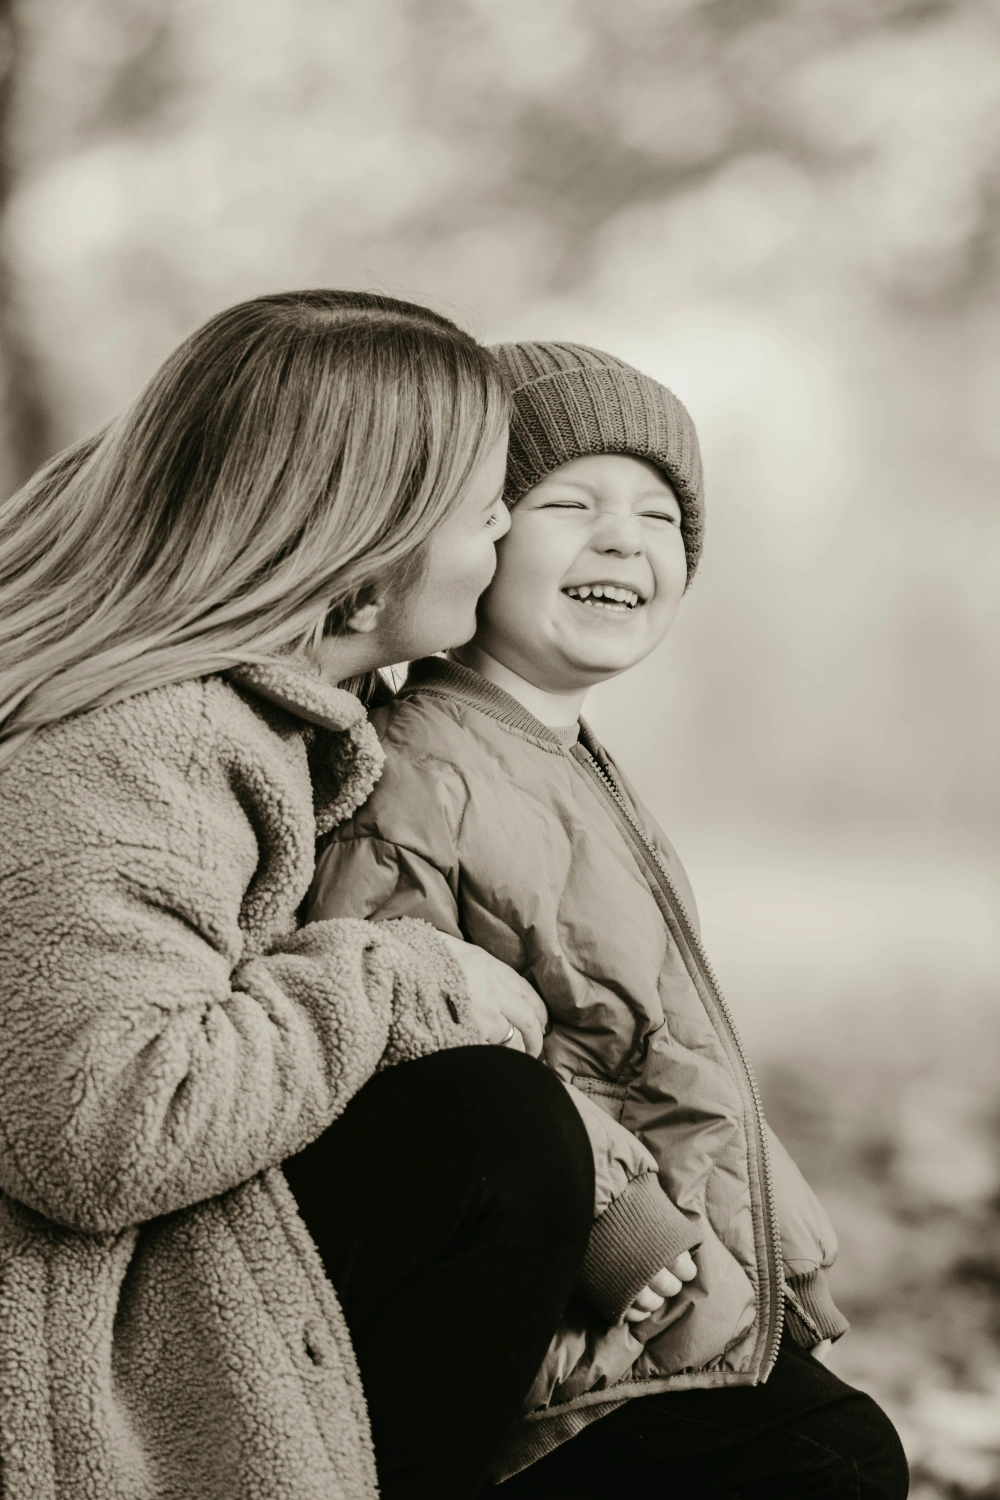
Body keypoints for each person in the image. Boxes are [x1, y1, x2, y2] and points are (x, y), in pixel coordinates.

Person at [0, 296, 600, 1500]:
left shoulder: (269, 724)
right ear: (367, 557)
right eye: (487, 515)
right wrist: (408, 977)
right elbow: (105, 1121)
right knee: (492, 1131)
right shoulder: (135, 743)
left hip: (180, 1258)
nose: (501, 548)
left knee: (805, 1449)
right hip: (79, 1337)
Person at [307, 342, 910, 1497]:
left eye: (661, 516)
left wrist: (766, 1230)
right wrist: (618, 1229)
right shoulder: (428, 771)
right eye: (567, 503)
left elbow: (639, 1037)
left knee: (838, 1448)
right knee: (825, 1462)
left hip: (656, 1288)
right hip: (547, 1325)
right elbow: (420, 1055)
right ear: (474, 535)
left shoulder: (566, 761)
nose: (625, 539)